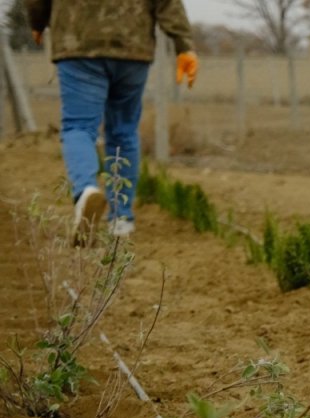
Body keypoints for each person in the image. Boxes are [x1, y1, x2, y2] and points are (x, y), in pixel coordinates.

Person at [26, 0, 198, 242]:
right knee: (124, 131)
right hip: (132, 46)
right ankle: (121, 219)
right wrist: (184, 46)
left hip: (78, 43)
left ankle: (86, 190)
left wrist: (38, 21)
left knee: (79, 126)